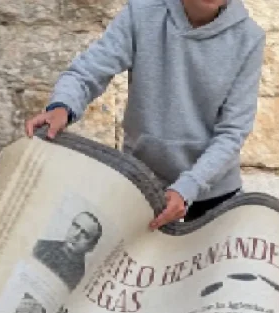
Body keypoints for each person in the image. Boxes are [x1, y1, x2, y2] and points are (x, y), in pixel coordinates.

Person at [24, 0, 264, 231]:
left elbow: (232, 132)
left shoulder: (249, 37)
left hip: (211, 189)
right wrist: (62, 106)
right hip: (141, 181)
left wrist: (187, 188)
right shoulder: (141, 13)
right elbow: (88, 71)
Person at [32, 211, 103, 289]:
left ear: (91, 247)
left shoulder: (80, 280)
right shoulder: (41, 245)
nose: (76, 235)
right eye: (76, 226)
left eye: (85, 234)